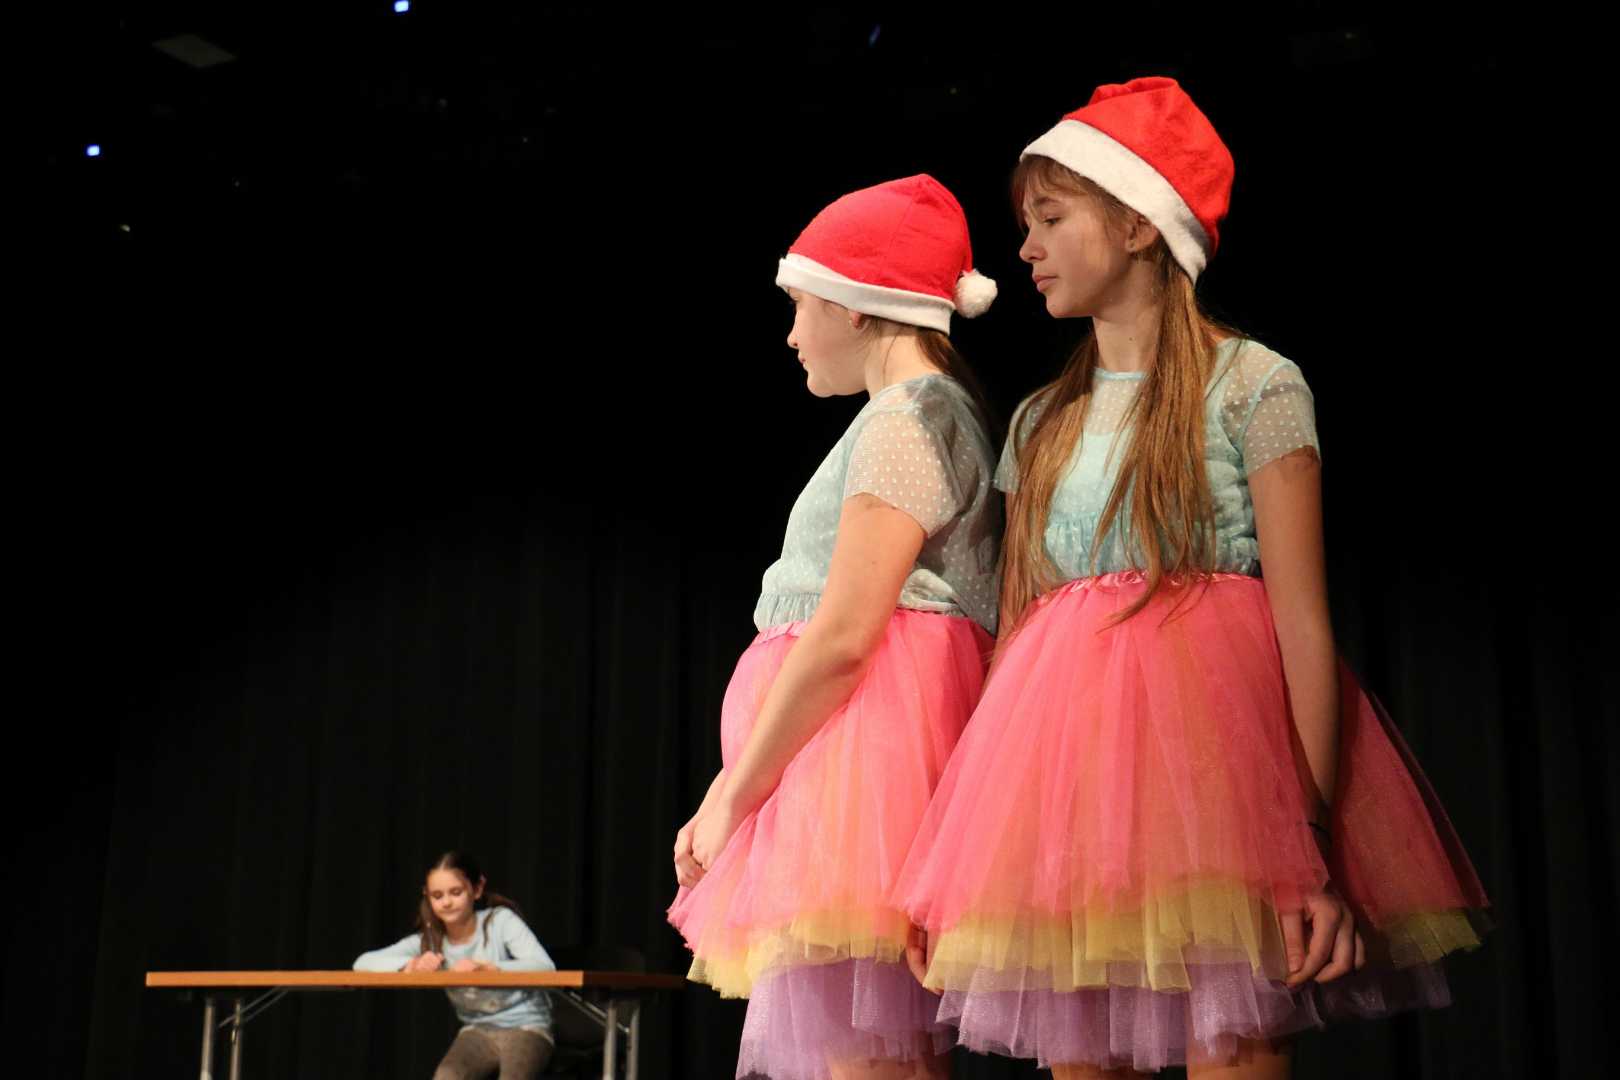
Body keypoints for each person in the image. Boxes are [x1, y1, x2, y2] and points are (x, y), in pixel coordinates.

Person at [895, 78, 1491, 1078]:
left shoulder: (1254, 386)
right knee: (1086, 1054)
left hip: (1219, 798)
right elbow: (1012, 644)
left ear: (1137, 225)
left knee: (1234, 1039)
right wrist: (955, 870)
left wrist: (1308, 842)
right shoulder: (1041, 420)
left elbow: (1303, 626)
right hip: (1067, 803)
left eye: (1051, 219)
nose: (1026, 248)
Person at [667, 174, 1003, 1079]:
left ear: (856, 306)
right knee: (875, 1054)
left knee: (867, 1055)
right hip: (846, 768)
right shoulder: (921, 413)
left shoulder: (908, 418)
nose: (790, 333)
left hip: (863, 775)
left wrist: (733, 796)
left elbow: (847, 636)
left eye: (800, 304)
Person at [355, 851, 557, 1079]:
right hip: (478, 1029)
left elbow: (545, 967)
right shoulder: (430, 941)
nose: (447, 902)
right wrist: (410, 965)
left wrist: (490, 969)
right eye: (437, 896)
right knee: (446, 1075)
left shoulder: (499, 921)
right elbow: (362, 963)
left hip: (527, 1025)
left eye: (456, 892)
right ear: (427, 897)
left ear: (477, 888)